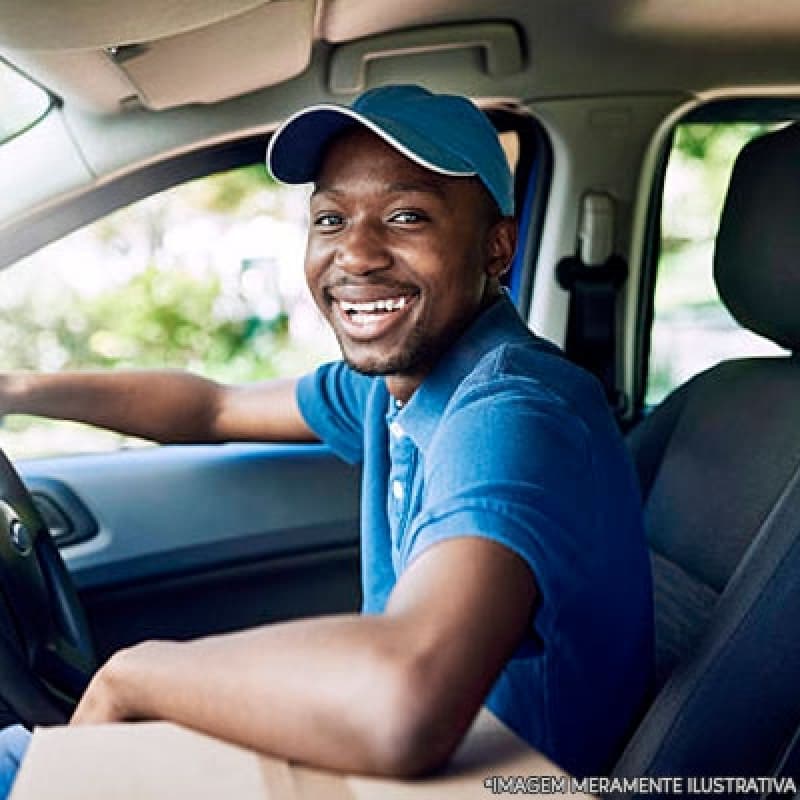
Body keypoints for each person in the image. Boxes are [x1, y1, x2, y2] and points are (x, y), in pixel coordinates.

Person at [0, 85, 653, 791]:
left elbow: (405, 699)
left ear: (497, 247)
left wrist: (132, 677)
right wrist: (17, 392)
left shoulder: (514, 412)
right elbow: (212, 407)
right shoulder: (398, 383)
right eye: (331, 218)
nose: (358, 254)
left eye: (407, 217)